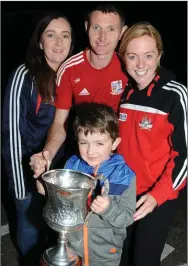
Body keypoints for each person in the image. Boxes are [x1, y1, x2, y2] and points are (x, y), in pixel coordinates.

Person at [2, 12, 74, 265]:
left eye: (65, 36)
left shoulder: (74, 76)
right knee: (31, 230)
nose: (58, 43)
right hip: (29, 174)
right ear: (40, 42)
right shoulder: (25, 76)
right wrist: (19, 185)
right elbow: (10, 133)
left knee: (57, 236)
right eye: (50, 35)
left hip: (64, 174)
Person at [29, 3, 128, 177]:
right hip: (84, 155)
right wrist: (47, 153)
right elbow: (60, 122)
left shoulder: (129, 67)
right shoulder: (69, 69)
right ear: (86, 27)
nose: (102, 37)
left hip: (121, 157)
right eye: (96, 27)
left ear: (122, 32)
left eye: (111, 29)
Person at [117, 22, 187, 266]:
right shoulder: (124, 94)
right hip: (122, 192)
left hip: (157, 197)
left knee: (144, 259)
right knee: (119, 256)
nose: (140, 65)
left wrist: (158, 195)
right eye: (132, 56)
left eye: (148, 56)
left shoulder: (175, 95)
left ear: (159, 56)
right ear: (122, 57)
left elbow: (185, 156)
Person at [37, 102, 136, 266]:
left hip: (105, 255)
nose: (90, 151)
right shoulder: (72, 166)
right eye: (84, 143)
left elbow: (126, 218)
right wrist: (49, 192)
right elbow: (64, 205)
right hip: (72, 249)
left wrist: (108, 209)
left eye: (99, 143)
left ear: (115, 143)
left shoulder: (124, 176)